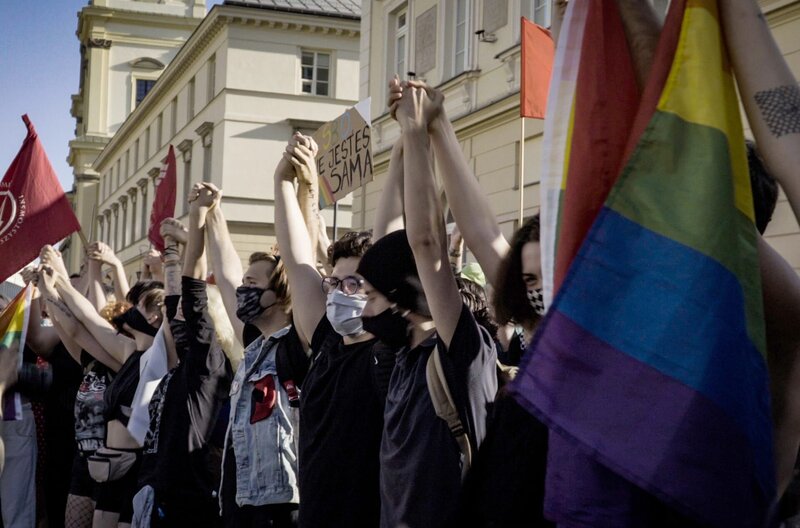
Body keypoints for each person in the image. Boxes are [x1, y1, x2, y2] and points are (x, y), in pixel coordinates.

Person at [356, 80, 497, 528]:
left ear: (402, 298)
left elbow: (425, 243)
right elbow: (391, 243)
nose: (362, 309)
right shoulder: (400, 357)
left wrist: (420, 133)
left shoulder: (459, 355)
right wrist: (402, 147)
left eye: (372, 297)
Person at [274, 132, 398, 527]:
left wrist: (403, 151)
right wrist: (283, 181)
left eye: (354, 283)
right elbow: (296, 257)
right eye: (335, 282)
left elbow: (394, 231)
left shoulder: (389, 353)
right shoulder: (326, 340)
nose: (340, 292)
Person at [198, 182, 306, 528]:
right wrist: (214, 212)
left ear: (280, 294)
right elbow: (226, 274)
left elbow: (300, 263)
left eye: (253, 284)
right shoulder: (255, 343)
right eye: (245, 282)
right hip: (242, 498)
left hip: (281, 505)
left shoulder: (299, 344)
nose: (243, 289)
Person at [42, 245, 163, 527]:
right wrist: (51, 287)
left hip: (134, 469)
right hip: (102, 463)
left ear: (154, 317)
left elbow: (90, 317)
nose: (128, 310)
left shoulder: (159, 357)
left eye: (137, 305)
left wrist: (61, 278)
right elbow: (84, 322)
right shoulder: (128, 351)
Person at [133, 194, 233, 526]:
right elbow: (178, 298)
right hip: (161, 495)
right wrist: (172, 253)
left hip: (190, 505)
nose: (174, 318)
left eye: (183, 315)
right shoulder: (181, 365)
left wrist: (197, 219)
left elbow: (192, 295)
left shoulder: (207, 366)